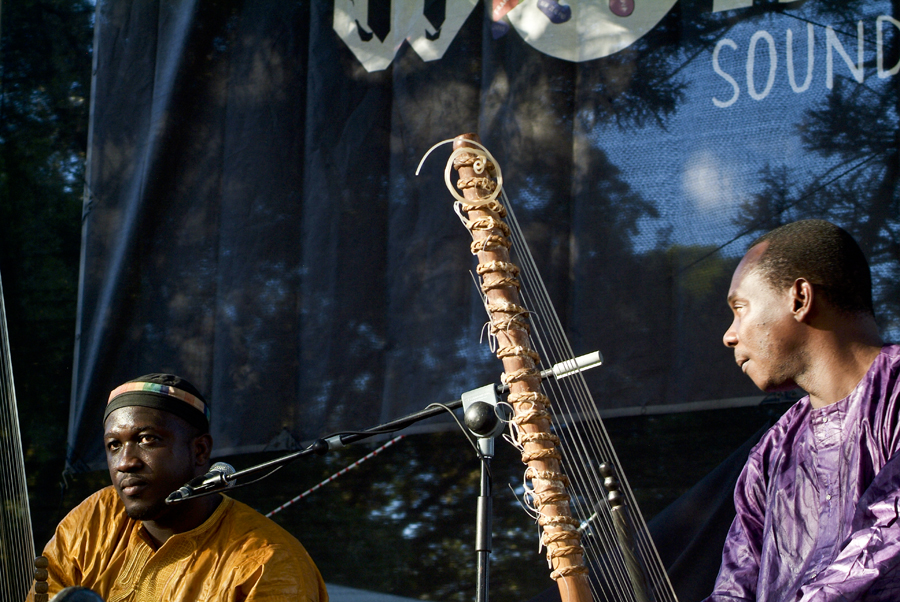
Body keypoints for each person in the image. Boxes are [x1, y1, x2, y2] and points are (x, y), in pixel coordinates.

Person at [704, 220, 900, 602]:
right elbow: (734, 587)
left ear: (799, 299)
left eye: (740, 308)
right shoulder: (771, 453)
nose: (729, 335)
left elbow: (889, 540)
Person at [28, 373, 328, 602]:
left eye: (148, 439)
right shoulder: (95, 518)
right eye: (114, 445)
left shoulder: (266, 562)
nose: (125, 462)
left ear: (199, 451)